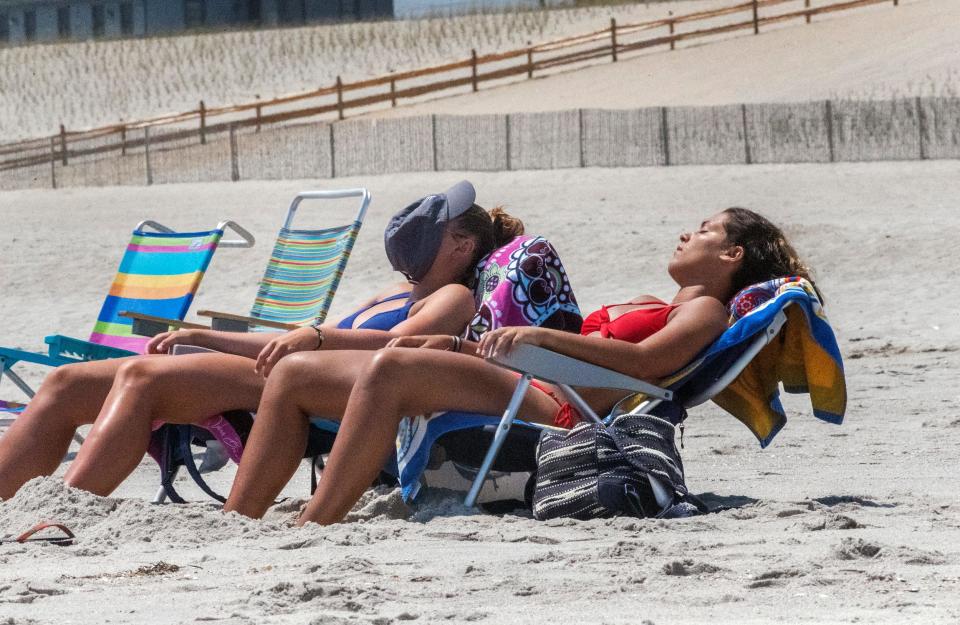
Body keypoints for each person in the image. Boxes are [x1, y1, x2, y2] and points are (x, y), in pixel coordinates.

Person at [222, 207, 818, 524]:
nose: (688, 233)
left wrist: (538, 336)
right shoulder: (665, 304)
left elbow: (641, 363)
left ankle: (318, 520)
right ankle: (239, 516)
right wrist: (460, 348)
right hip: (528, 378)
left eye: (706, 231)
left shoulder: (707, 311)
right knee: (296, 375)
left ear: (731, 255)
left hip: (559, 406)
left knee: (389, 371)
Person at [0, 181, 525, 500]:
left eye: (434, 223)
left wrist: (315, 336)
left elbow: (393, 356)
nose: (414, 223)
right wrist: (209, 338)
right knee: (68, 381)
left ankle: (71, 508)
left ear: (461, 245)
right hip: (281, 371)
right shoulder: (396, 291)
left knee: (141, 377)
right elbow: (295, 344)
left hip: (319, 394)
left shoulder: (453, 299)